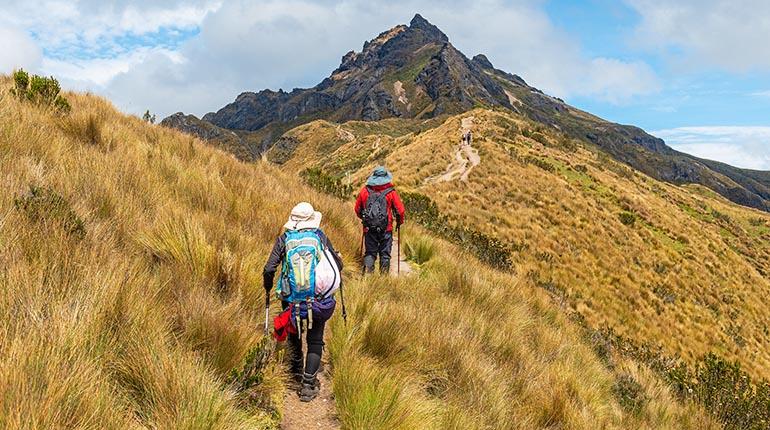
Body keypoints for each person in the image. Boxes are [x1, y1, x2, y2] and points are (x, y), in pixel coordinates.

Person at [263, 202, 343, 402]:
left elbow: (269, 268)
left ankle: (296, 370)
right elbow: (337, 264)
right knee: (315, 339)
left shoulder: (284, 239)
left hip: (291, 299)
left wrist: (268, 286)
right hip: (316, 299)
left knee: (294, 334)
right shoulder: (320, 236)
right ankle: (308, 385)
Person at [354, 166, 406, 274]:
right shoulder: (391, 192)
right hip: (386, 229)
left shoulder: (365, 191)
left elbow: (357, 209)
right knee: (385, 255)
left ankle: (367, 278)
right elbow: (400, 210)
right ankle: (383, 281)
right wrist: (399, 222)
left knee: (370, 253)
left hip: (369, 229)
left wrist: (365, 219)